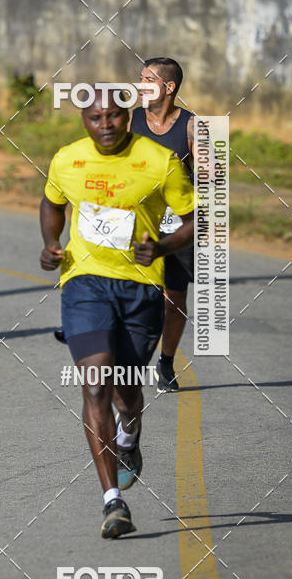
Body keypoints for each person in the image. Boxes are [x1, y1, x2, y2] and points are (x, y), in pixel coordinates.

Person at [40, 89, 195, 539]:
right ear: (84, 121)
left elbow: (193, 217)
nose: (105, 124)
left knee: (127, 391)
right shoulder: (67, 160)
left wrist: (162, 247)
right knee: (96, 384)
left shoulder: (159, 160)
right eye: (95, 117)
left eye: (113, 116)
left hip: (141, 287)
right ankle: (113, 502)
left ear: (128, 118)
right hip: (84, 283)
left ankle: (130, 435)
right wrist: (52, 243)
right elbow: (52, 203)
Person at [129, 58, 194, 394]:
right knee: (129, 291)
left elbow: (213, 182)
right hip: (137, 222)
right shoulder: (131, 119)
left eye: (148, 79)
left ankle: (166, 363)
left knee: (174, 299)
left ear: (169, 88)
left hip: (178, 228)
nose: (140, 86)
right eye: (139, 78)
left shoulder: (192, 127)